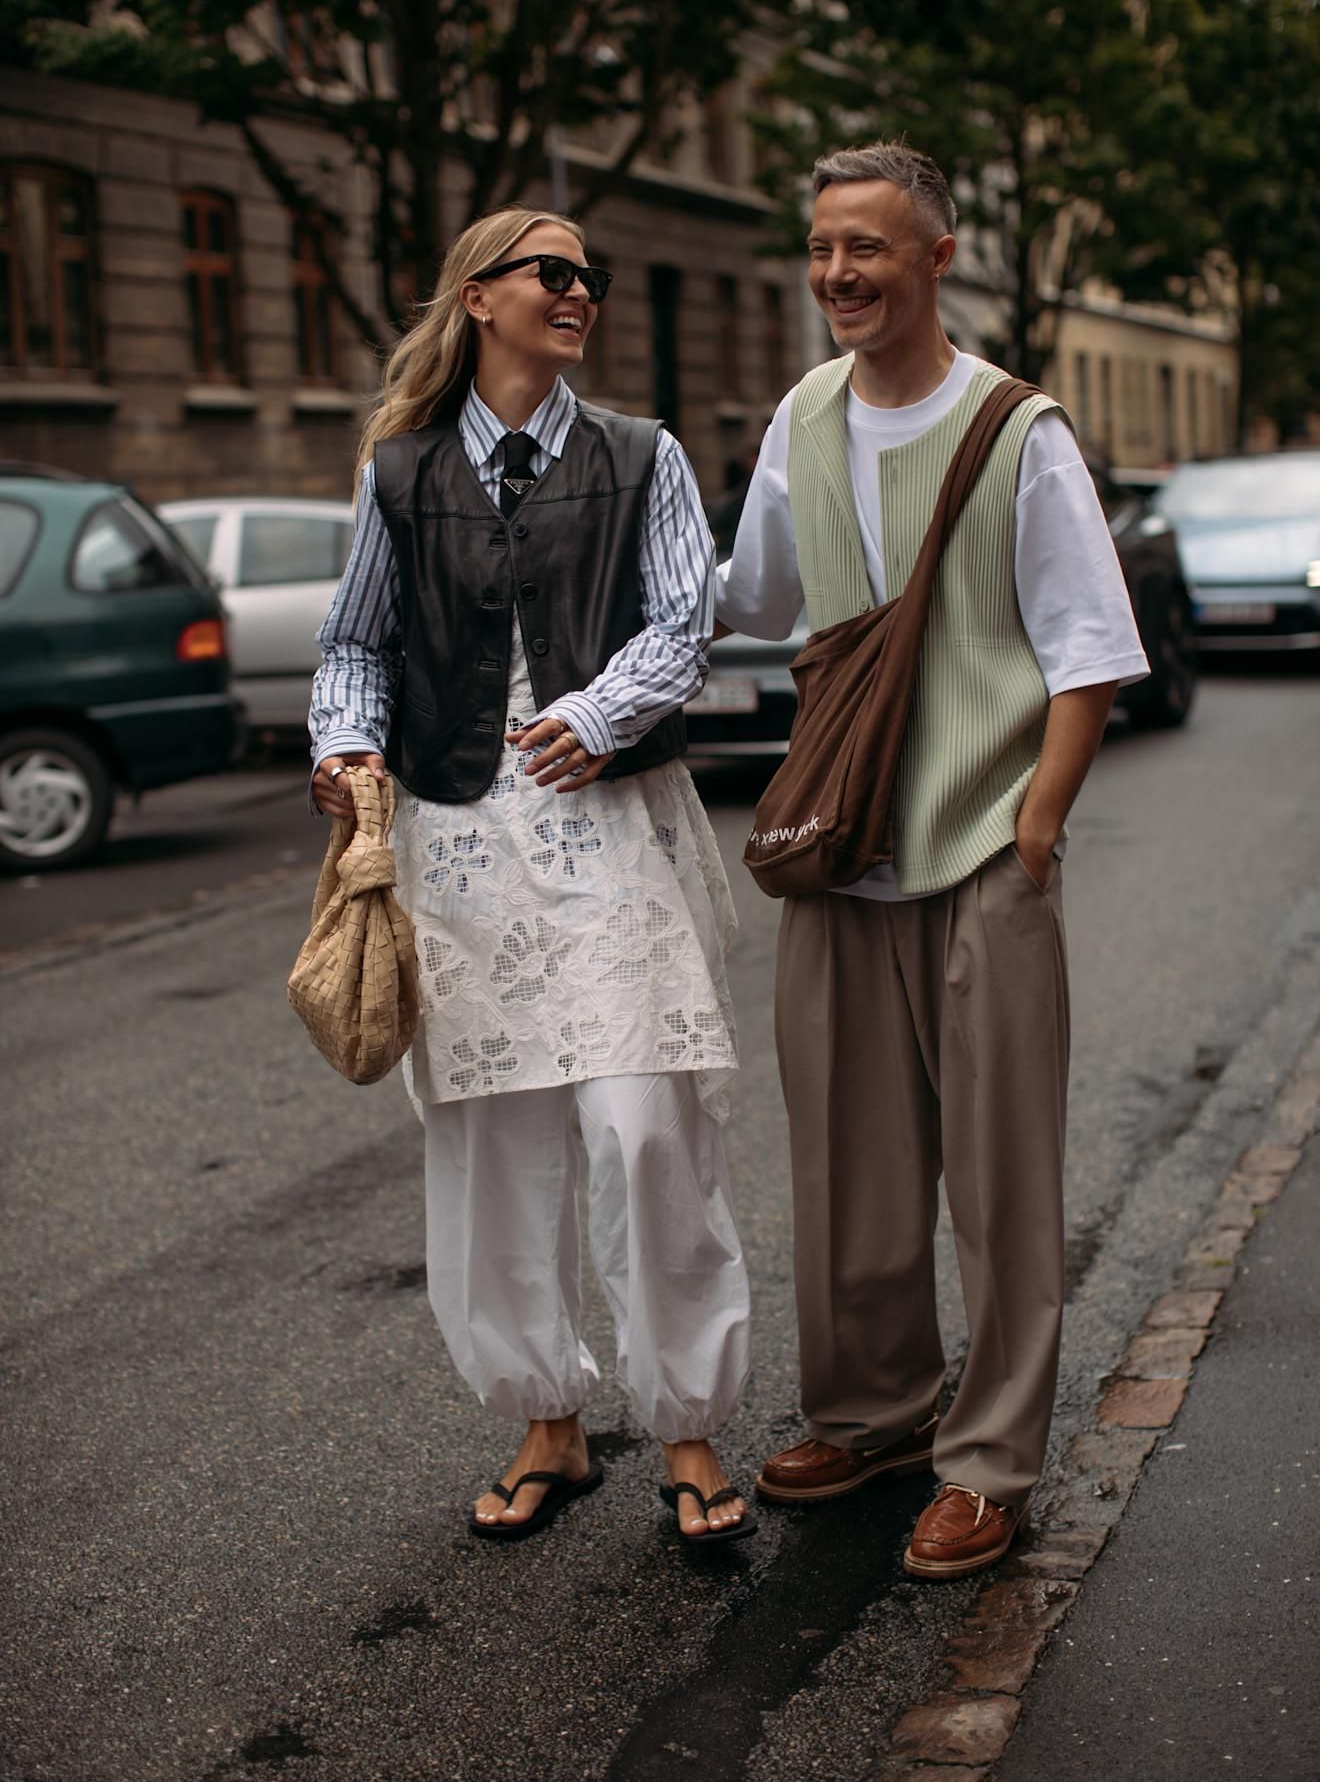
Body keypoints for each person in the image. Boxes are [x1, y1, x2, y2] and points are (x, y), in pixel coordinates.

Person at [715, 141, 1149, 1579]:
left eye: (869, 248)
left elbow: (1089, 653)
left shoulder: (1022, 432)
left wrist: (1035, 831)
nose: (839, 273)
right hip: (839, 854)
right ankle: (876, 1412)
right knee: (849, 1164)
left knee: (1001, 1178)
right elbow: (753, 598)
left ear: (935, 257)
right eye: (825, 247)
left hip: (979, 850)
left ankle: (991, 1459)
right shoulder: (803, 418)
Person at [309, 205, 753, 1545]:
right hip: (453, 848)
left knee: (640, 1131)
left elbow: (688, 619)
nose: (578, 292)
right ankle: (547, 1420)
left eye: (588, 277)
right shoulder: (401, 469)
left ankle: (687, 1425)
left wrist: (600, 713)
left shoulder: (641, 455)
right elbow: (352, 646)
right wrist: (345, 746)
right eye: (550, 272)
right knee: (492, 1147)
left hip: (603, 822)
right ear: (479, 298)